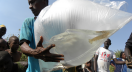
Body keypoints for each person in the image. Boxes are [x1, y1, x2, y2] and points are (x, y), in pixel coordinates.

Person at [19, 0, 64, 72]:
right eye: (29, 3)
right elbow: (23, 45)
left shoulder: (58, 24)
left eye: (32, 2)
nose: (30, 7)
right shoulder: (29, 22)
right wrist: (34, 52)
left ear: (43, 1)